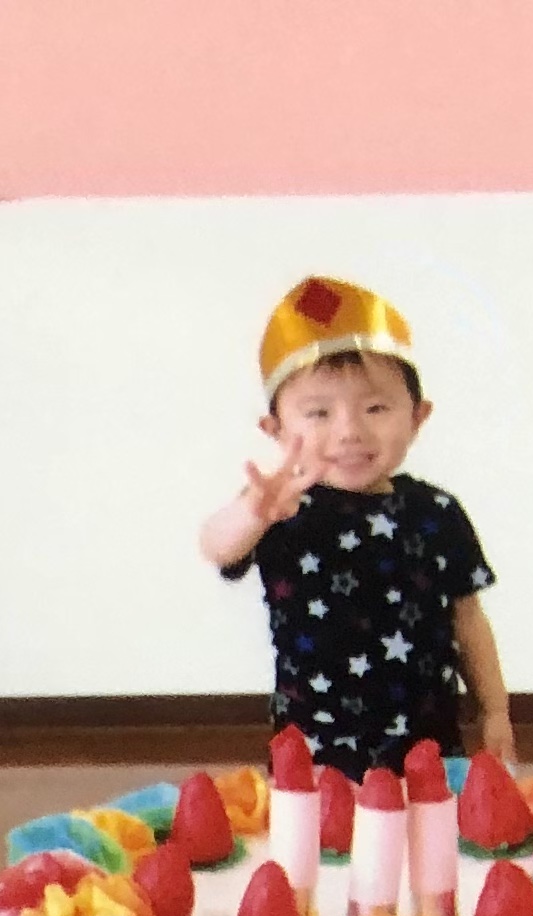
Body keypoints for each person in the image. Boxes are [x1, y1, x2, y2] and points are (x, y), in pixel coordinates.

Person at [197, 276, 513, 777]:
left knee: (429, 827)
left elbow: (468, 617)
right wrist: (253, 511)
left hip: (427, 746)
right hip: (315, 754)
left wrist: (494, 710)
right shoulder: (279, 505)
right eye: (318, 413)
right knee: (320, 830)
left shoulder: (435, 511)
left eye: (376, 408)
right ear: (275, 430)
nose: (349, 431)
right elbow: (217, 546)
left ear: (418, 417)